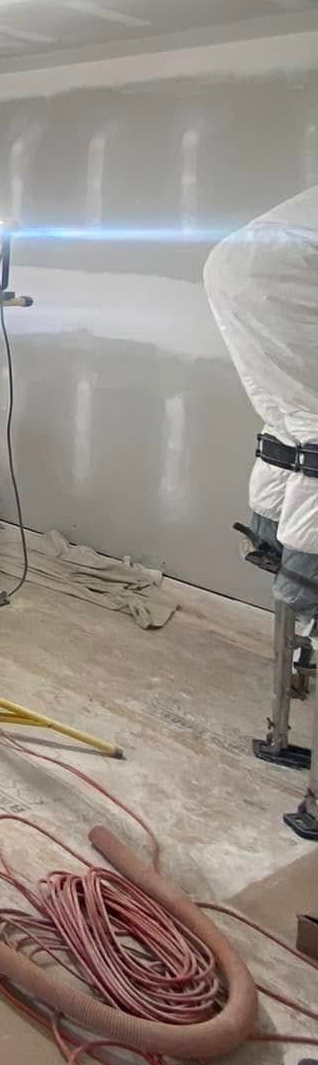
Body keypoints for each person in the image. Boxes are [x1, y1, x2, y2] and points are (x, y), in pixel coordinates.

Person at [204, 185, 318, 834]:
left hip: (240, 267)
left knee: (298, 427)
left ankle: (284, 723)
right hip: (276, 271)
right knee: (310, 432)